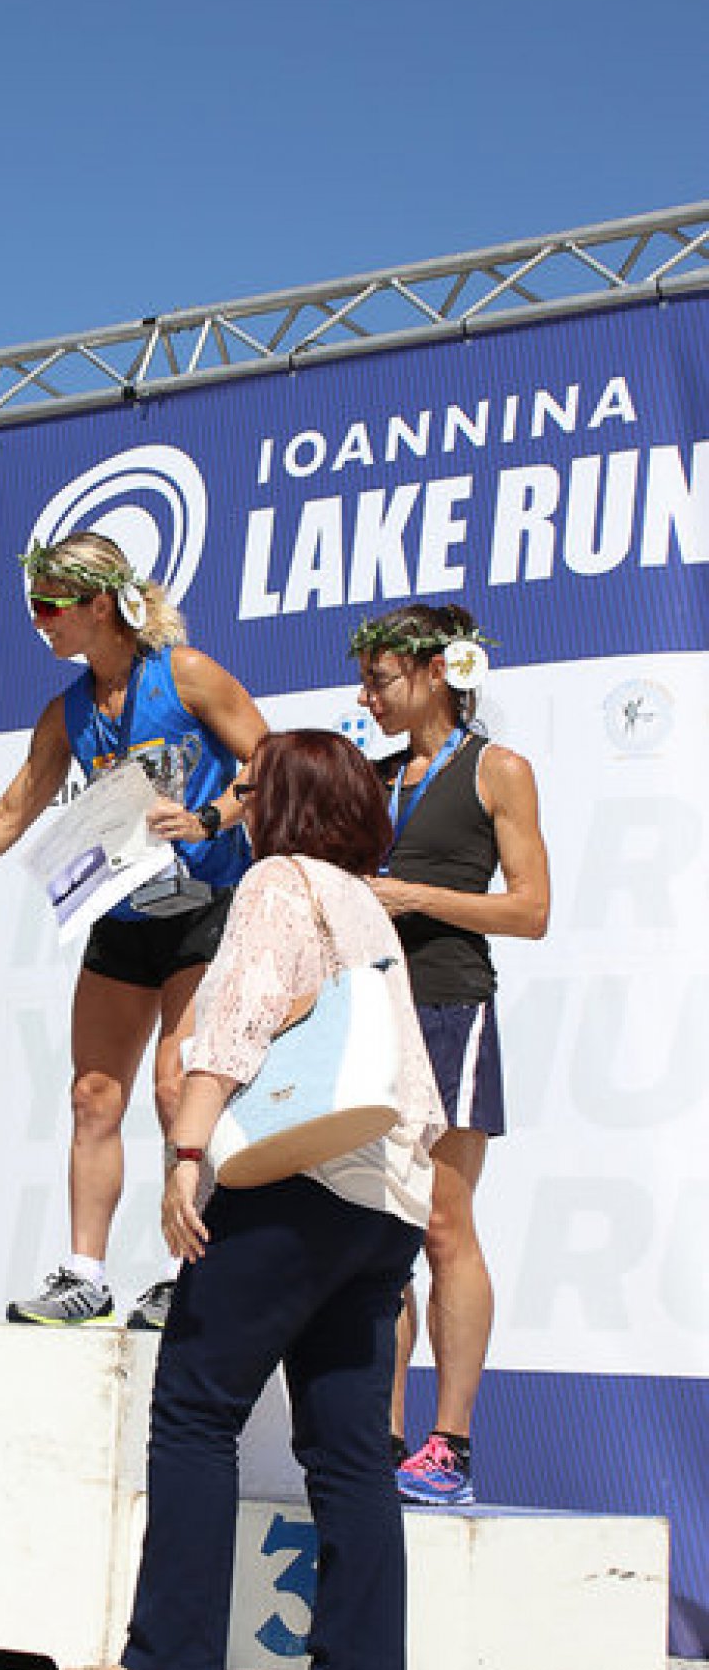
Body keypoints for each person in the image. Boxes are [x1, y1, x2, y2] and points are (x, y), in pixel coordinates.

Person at [61, 730, 444, 1670]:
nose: (236, 801)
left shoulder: (278, 881)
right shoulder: (367, 900)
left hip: (293, 1181)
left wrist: (187, 1152)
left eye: (248, 787)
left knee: (194, 1408)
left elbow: (234, 1020)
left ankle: (170, 1664)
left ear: (289, 801)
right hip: (386, 1199)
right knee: (349, 1446)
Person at [0, 530, 267, 1331]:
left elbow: (272, 757)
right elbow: (10, 815)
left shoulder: (186, 673)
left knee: (177, 1085)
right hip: (127, 908)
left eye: (50, 605)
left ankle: (189, 1272)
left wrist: (210, 817)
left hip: (208, 902)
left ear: (100, 604)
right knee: (92, 1094)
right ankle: (86, 1276)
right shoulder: (67, 711)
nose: (39, 621)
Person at [351, 604, 550, 1506]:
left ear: (437, 672)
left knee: (442, 1226)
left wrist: (416, 897)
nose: (368, 698)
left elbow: (531, 910)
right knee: (380, 1234)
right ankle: (383, 1436)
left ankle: (451, 1445)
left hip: (450, 1008)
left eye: (380, 680)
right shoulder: (373, 777)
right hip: (371, 1016)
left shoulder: (496, 769)